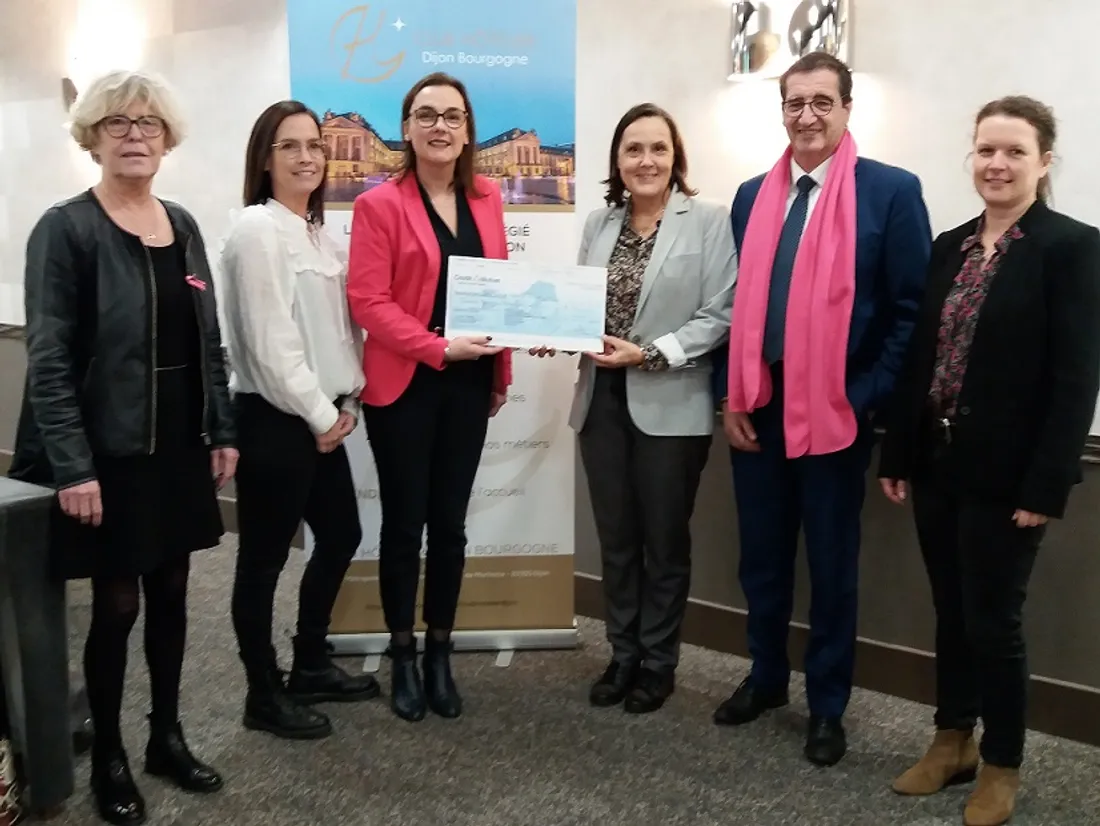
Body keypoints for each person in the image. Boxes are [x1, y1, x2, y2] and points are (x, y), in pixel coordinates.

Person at [8, 69, 235, 825]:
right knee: (116, 606)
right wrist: (72, 466)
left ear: (167, 138)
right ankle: (107, 751)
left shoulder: (184, 223)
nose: (135, 136)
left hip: (176, 443)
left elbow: (208, 339)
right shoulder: (65, 228)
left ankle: (164, 736)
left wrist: (222, 427)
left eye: (148, 124)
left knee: (172, 592)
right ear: (92, 137)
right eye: (117, 124)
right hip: (106, 453)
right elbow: (47, 358)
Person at [879, 96, 1100, 826]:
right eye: (985, 150)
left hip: (1010, 479)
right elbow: (922, 358)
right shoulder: (951, 245)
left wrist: (1046, 483)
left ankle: (1002, 763)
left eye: (1013, 152)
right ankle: (952, 741)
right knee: (950, 610)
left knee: (994, 622)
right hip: (939, 463)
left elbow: (1075, 379)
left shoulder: (1072, 248)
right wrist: (899, 450)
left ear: (1044, 163)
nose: (996, 165)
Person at [711, 51, 932, 766]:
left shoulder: (891, 193)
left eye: (821, 102)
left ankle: (827, 705)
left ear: (846, 107)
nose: (806, 116)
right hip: (762, 405)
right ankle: (767, 679)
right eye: (794, 103)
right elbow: (735, 307)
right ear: (781, 109)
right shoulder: (752, 195)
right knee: (763, 562)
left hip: (838, 414)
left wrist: (864, 399)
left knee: (832, 569)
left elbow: (910, 313)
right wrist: (732, 394)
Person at [543, 103, 735, 714]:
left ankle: (658, 661)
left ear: (675, 157)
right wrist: (558, 328)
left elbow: (721, 313)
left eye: (657, 148)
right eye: (633, 150)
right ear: (617, 161)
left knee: (664, 540)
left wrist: (649, 354)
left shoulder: (708, 221)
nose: (645, 160)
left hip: (671, 405)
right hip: (599, 403)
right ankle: (622, 652)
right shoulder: (599, 224)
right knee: (617, 538)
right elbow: (578, 305)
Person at [347, 72, 512, 722]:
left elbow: (498, 289)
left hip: (470, 385)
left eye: (451, 115)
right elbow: (368, 301)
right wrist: (437, 347)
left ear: (467, 128)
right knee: (403, 526)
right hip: (406, 385)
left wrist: (500, 369)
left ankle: (440, 650)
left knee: (449, 527)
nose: (439, 126)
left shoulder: (489, 197)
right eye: (425, 115)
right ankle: (402, 654)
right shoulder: (379, 205)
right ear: (407, 127)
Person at [219, 101, 379, 742]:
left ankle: (310, 660)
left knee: (340, 535)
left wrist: (348, 399)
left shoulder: (316, 231)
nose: (308, 156)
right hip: (277, 420)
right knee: (261, 562)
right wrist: (319, 412)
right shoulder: (257, 230)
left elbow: (337, 332)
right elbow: (269, 342)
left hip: (323, 417)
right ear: (265, 157)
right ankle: (263, 691)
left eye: (314, 144)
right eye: (290, 146)